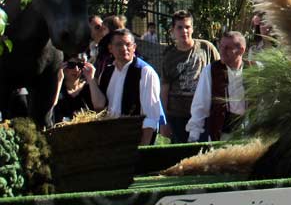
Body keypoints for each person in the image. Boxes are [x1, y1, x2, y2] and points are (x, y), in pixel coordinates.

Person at [85, 29, 164, 145]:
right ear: (110, 48)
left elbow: (151, 116)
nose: (124, 49)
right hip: (112, 139)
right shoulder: (106, 72)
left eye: (128, 44)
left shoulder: (145, 72)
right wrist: (91, 79)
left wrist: (143, 148)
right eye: (119, 45)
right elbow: (100, 107)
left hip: (135, 137)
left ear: (134, 47)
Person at [160, 11, 219, 143]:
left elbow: (220, 74)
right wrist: (163, 121)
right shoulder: (169, 55)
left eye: (187, 27)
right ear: (173, 30)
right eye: (179, 27)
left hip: (203, 113)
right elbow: (164, 89)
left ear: (192, 28)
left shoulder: (206, 48)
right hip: (177, 114)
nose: (184, 31)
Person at [186, 32, 248, 143]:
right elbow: (200, 105)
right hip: (221, 134)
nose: (222, 51)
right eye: (221, 46)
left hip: (249, 134)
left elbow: (264, 104)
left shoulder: (254, 68)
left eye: (228, 48)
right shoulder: (211, 70)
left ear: (241, 50)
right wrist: (193, 136)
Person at [53, 57, 94, 122]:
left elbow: (100, 106)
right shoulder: (59, 88)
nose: (76, 69)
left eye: (80, 65)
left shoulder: (88, 87)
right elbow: (51, 107)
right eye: (71, 65)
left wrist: (91, 78)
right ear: (63, 66)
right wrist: (59, 80)